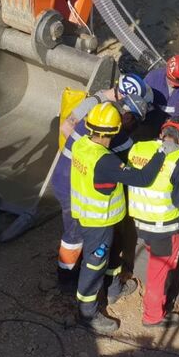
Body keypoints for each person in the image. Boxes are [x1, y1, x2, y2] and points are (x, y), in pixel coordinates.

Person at [70, 102, 166, 333]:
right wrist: (162, 153)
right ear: (113, 132)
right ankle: (87, 312)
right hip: (98, 223)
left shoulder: (81, 144)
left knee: (112, 254)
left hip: (93, 218)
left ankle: (113, 290)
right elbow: (143, 178)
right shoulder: (106, 161)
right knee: (93, 265)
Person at [52, 77, 150, 289]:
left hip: (65, 177)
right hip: (74, 186)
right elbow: (134, 169)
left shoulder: (93, 122)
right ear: (127, 117)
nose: (134, 127)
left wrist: (103, 94)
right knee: (75, 235)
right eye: (134, 121)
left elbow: (70, 123)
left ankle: (70, 275)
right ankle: (67, 280)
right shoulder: (119, 138)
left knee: (75, 232)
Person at [126, 120, 179, 328]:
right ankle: (153, 316)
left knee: (156, 265)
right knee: (158, 273)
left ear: (162, 133)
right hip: (163, 226)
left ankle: (156, 307)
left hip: (139, 221)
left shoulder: (138, 148)